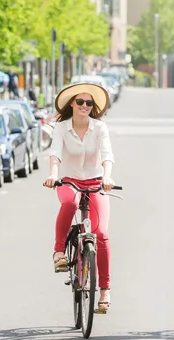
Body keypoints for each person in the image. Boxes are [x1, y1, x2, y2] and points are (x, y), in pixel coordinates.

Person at [42, 83, 115, 312]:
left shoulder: (100, 127)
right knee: (70, 202)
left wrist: (107, 176)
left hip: (95, 182)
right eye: (81, 102)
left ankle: (104, 290)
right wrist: (53, 175)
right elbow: (55, 153)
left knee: (101, 234)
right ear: (72, 103)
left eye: (89, 103)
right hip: (69, 181)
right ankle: (59, 251)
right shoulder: (62, 127)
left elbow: (107, 154)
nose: (85, 106)